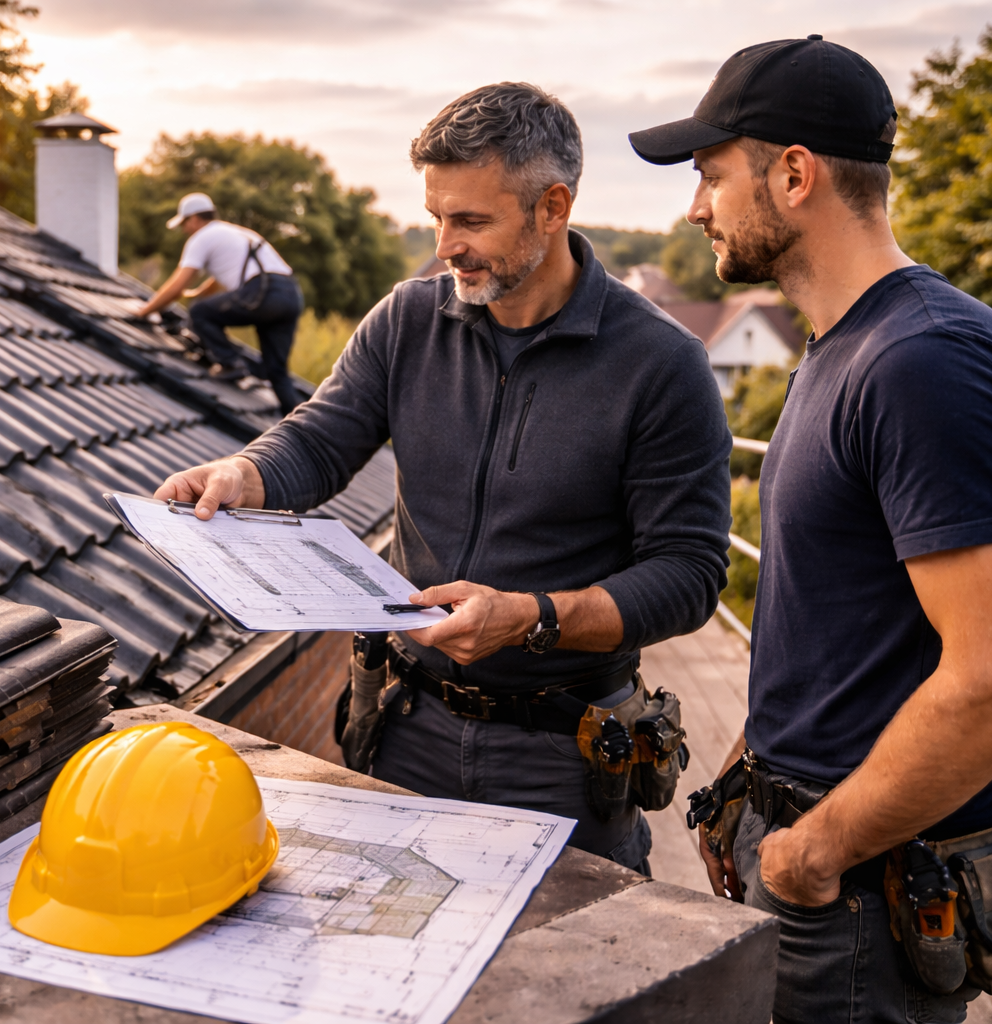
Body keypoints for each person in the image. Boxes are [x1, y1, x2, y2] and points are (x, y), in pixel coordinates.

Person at [155, 83, 732, 871]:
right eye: (436, 217)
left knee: (557, 976)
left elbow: (690, 573)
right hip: (401, 723)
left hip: (565, 754)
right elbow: (322, 438)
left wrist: (533, 616)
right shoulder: (406, 318)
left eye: (470, 221)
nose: (445, 245)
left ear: (552, 207)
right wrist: (243, 472)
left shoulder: (664, 365)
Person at [631, 36, 992, 1023]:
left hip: (861, 891)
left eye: (709, 176)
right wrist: (746, 774)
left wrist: (809, 849)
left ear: (793, 175)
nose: (696, 207)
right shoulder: (844, 350)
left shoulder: (927, 362)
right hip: (812, 861)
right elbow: (837, 617)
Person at [135, 193, 305, 416]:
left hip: (264, 292)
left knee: (199, 312)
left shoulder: (201, 237)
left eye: (185, 223)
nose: (185, 229)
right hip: (290, 295)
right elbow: (220, 277)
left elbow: (177, 285)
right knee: (276, 371)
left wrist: (144, 311)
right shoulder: (234, 232)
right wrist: (198, 293)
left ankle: (230, 363)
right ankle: (300, 427)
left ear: (194, 218)